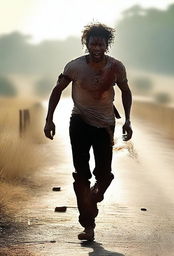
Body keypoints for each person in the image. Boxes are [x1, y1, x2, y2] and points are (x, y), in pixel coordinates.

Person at [44, 23, 133, 241]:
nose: (96, 47)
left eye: (100, 43)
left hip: (105, 126)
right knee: (81, 176)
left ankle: (97, 192)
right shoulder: (74, 67)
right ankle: (88, 226)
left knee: (104, 174)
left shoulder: (116, 67)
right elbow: (57, 90)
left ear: (106, 44)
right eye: (93, 43)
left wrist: (128, 120)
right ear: (87, 43)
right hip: (79, 123)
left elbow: (126, 91)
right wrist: (49, 120)